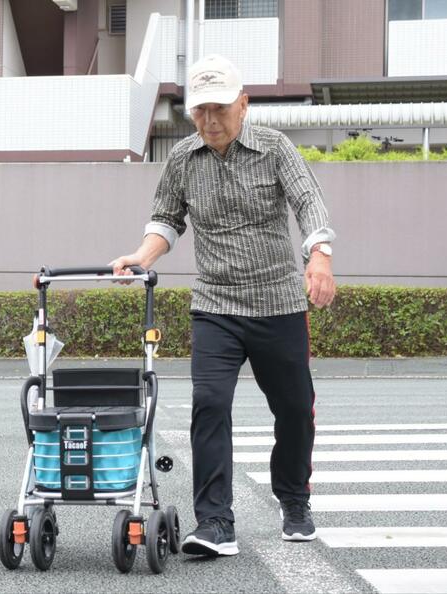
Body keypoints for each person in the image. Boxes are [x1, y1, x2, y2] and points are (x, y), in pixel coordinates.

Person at [110, 54, 336, 556]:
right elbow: (165, 220)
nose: (209, 120)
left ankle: (295, 500)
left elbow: (308, 203)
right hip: (216, 305)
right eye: (199, 111)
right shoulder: (183, 159)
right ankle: (214, 522)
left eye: (219, 108)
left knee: (295, 409)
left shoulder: (275, 149)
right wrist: (141, 257)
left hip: (277, 302)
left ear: (243, 104)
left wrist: (319, 255)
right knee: (209, 405)